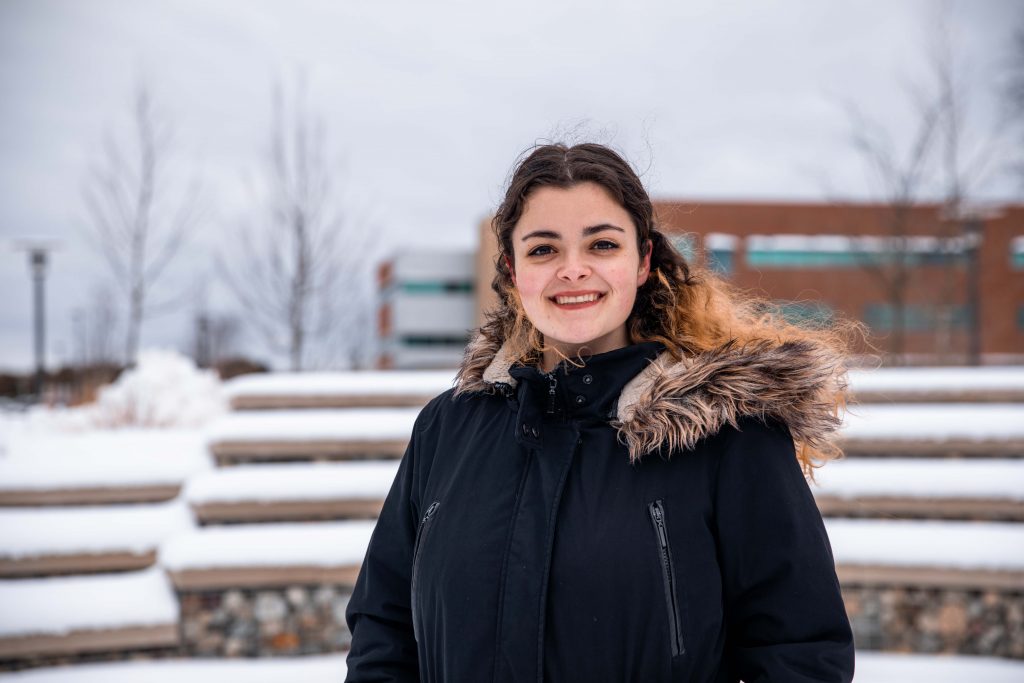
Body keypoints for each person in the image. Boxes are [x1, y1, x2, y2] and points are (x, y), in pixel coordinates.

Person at [345, 143, 860, 682]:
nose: (573, 270)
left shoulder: (729, 433)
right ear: (512, 271)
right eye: (543, 250)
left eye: (602, 244)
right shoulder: (447, 429)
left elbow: (800, 649)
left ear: (641, 262)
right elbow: (384, 628)